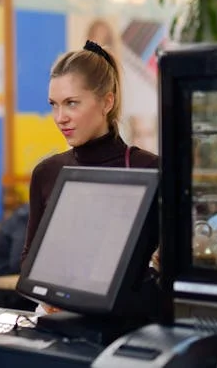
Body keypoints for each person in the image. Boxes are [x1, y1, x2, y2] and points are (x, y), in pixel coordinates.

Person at [22, 40, 158, 313]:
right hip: (61, 324)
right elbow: (30, 261)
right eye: (54, 105)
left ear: (107, 101)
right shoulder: (47, 172)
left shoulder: (149, 170)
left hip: (131, 325)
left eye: (71, 103)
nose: (60, 117)